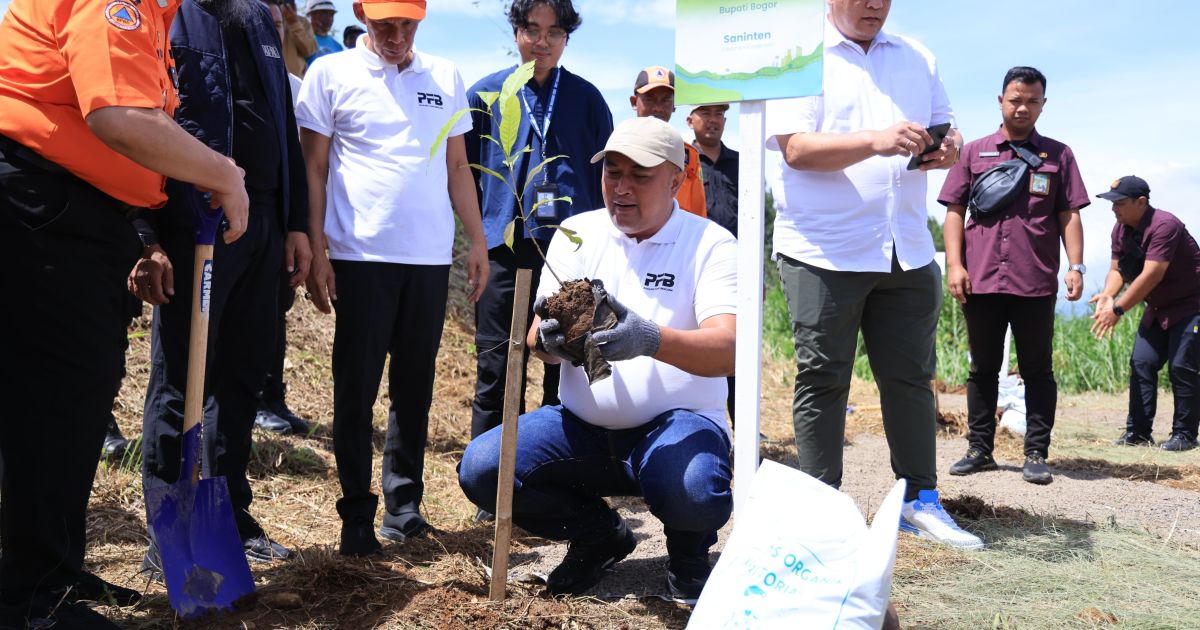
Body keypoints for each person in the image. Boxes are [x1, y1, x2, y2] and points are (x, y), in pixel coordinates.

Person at [0, 0, 251, 624]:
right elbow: (119, 117)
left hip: (76, 214)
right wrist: (225, 173)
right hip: (44, 207)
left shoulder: (155, 16)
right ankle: (31, 599)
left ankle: (50, 569)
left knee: (71, 409)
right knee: (54, 403)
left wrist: (151, 226)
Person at [459, 117, 736, 604]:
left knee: (693, 488)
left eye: (639, 176)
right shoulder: (577, 234)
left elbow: (727, 350)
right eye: (612, 173)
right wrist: (552, 339)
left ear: (676, 179)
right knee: (484, 469)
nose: (621, 188)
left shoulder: (710, 244)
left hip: (676, 425)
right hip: (581, 427)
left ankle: (690, 555)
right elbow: (537, 342)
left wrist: (650, 339)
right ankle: (600, 534)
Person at [764, 0, 981, 549]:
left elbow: (949, 135)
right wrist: (877, 140)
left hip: (904, 246)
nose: (874, 4)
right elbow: (796, 149)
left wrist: (948, 148)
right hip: (824, 248)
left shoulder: (917, 55)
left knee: (911, 377)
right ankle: (822, 508)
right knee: (823, 377)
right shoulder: (799, 55)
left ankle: (919, 499)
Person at [297, 0, 489, 556]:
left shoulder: (445, 76)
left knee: (415, 386)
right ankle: (356, 512)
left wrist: (475, 241)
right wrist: (316, 246)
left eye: (407, 24)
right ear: (362, 14)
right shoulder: (330, 73)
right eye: (384, 25)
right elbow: (313, 166)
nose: (397, 35)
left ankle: (403, 508)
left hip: (427, 260)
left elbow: (458, 166)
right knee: (354, 388)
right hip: (359, 257)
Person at [134, 0, 312, 575]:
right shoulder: (166, 14)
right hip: (195, 220)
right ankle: (170, 528)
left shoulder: (258, 18)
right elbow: (140, 117)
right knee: (180, 376)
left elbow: (282, 125)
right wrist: (147, 235)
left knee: (242, 377)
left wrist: (296, 224)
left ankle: (230, 514)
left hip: (260, 223)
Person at [466, 0, 612, 475]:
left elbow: (605, 178)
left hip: (567, 257)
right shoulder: (486, 94)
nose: (542, 42)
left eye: (554, 32)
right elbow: (461, 172)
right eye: (532, 30)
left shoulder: (587, 100)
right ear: (516, 33)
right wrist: (479, 226)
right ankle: (489, 481)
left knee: (562, 365)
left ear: (567, 37)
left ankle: (554, 478)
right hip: (501, 252)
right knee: (495, 367)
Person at [938, 66, 1089, 485]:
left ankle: (1036, 453)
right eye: (1015, 99)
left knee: (1037, 368)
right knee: (982, 368)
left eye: (1032, 100)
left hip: (1035, 280)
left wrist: (1075, 266)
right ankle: (979, 449)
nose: (1022, 107)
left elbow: (1069, 213)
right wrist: (955, 264)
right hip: (981, 278)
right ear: (1001, 101)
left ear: (1043, 103)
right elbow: (953, 210)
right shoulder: (975, 152)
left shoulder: (1059, 155)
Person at [1090, 176, 1200, 452]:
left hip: (1191, 306)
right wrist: (1108, 295)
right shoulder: (1121, 228)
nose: (1114, 209)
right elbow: (1118, 270)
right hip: (1158, 308)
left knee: (1181, 367)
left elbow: (1152, 274)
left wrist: (1117, 310)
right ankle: (1138, 433)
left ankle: (1185, 435)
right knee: (1141, 363)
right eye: (1111, 203)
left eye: (1120, 203)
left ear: (1141, 202)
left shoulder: (1165, 225)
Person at [688, 102, 739, 420]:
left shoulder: (740, 162)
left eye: (719, 114)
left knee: (737, 348)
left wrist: (756, 273)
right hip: (696, 266)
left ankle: (744, 427)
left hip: (735, 269)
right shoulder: (683, 161)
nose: (713, 120)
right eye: (705, 113)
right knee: (699, 344)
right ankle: (702, 418)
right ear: (689, 119)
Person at [629, 66, 706, 217]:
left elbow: (699, 213)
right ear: (634, 102)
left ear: (674, 106)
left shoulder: (689, 155)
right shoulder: (618, 148)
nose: (658, 108)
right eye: (649, 99)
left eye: (665, 100)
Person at [280, 0, 317, 76]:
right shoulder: (267, 19)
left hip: (296, 81)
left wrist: (293, 23)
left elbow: (309, 50)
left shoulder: (303, 22)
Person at [305, 0, 344, 66]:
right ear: (311, 15)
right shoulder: (302, 41)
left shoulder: (338, 46)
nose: (329, 18)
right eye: (324, 13)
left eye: (331, 14)